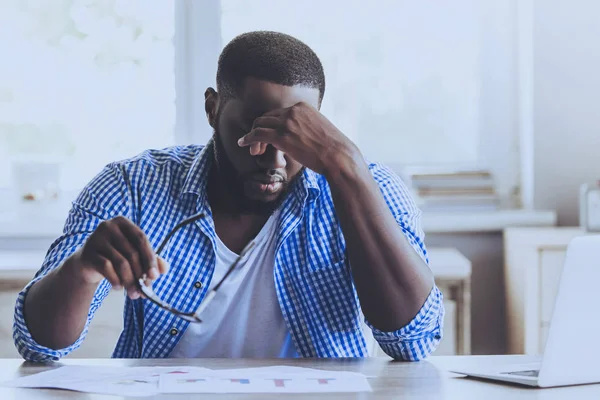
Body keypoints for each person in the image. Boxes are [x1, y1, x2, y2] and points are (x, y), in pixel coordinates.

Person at [13, 31, 444, 362]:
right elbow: (39, 347)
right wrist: (82, 270)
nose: (272, 157)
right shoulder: (133, 185)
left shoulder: (368, 187)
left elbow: (413, 342)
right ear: (212, 109)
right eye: (253, 130)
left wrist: (346, 167)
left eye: (292, 134)